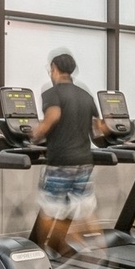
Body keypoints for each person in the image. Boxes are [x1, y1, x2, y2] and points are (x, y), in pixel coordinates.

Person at [31, 52, 109, 256]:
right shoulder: (85, 95)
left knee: (48, 211)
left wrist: (36, 134)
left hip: (61, 163)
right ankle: (99, 250)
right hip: (84, 162)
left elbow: (53, 117)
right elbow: (99, 128)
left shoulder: (52, 93)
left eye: (50, 68)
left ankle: (43, 253)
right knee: (83, 209)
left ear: (54, 68)